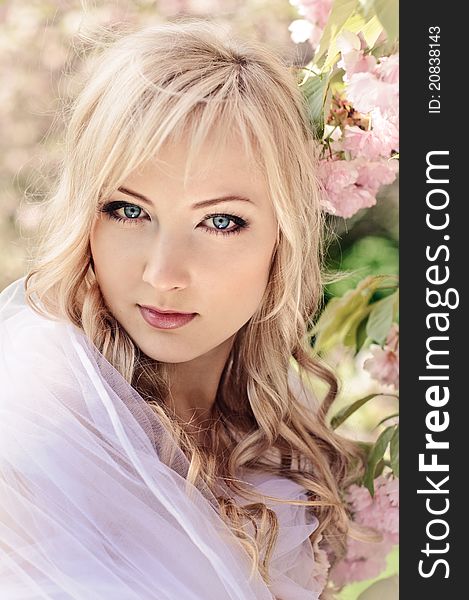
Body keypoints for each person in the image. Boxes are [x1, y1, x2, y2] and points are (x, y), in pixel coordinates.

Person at [0, 19, 368, 599]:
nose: (162, 274)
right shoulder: (40, 422)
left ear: (285, 236)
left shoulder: (275, 428)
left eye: (219, 221)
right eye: (128, 210)